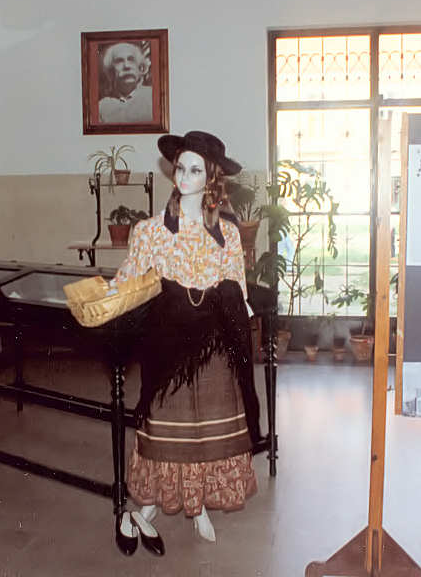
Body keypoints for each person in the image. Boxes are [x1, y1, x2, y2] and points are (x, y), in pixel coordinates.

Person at [112, 130, 261, 556]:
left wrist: (241, 320)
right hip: (168, 347)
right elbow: (130, 278)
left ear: (211, 177)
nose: (184, 176)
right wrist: (108, 297)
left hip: (214, 345)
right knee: (165, 426)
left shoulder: (227, 232)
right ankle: (149, 506)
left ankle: (198, 507)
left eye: (195, 170)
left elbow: (237, 287)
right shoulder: (150, 230)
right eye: (180, 168)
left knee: (207, 430)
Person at [98, 42, 153, 123]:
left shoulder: (153, 96)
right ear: (111, 71)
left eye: (131, 60)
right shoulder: (102, 107)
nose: (126, 66)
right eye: (119, 61)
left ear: (140, 68)